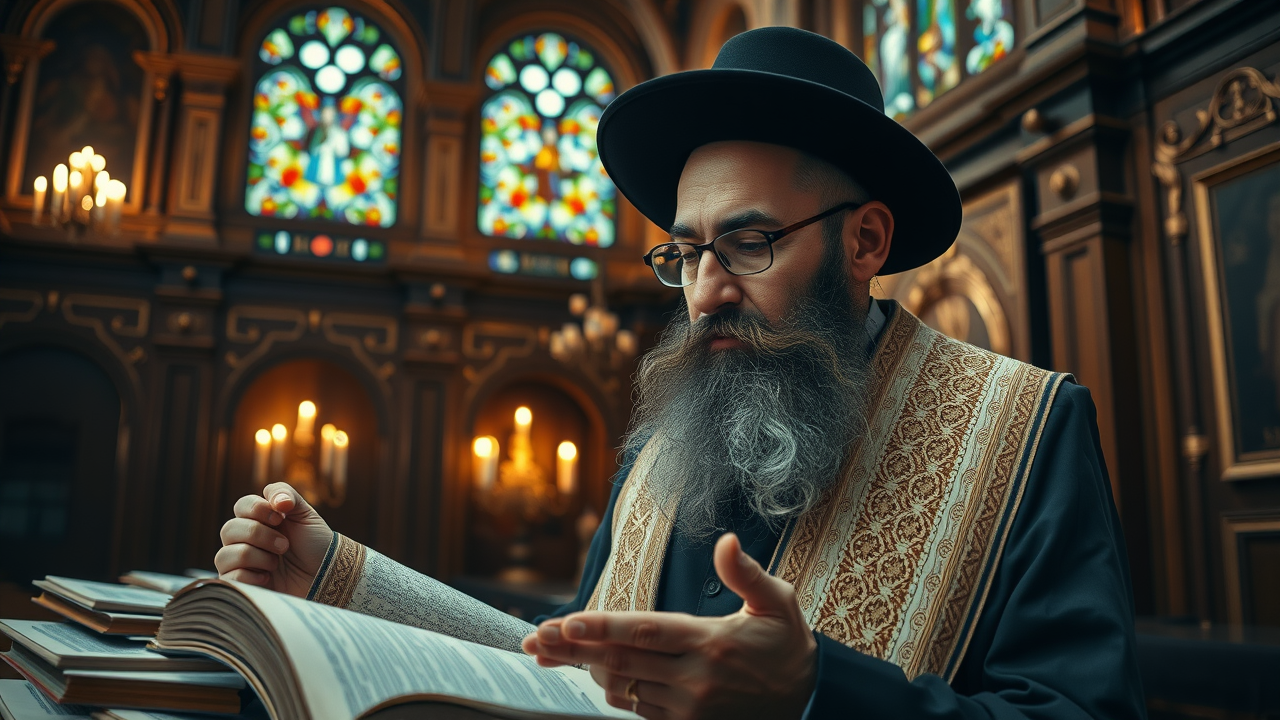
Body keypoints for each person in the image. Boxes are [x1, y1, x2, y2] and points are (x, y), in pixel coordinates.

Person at [216, 27, 1146, 720]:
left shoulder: (1027, 425)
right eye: (686, 253)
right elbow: (567, 662)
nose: (704, 293)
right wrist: (339, 578)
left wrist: (818, 694)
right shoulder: (666, 442)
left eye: (748, 243)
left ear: (865, 241)